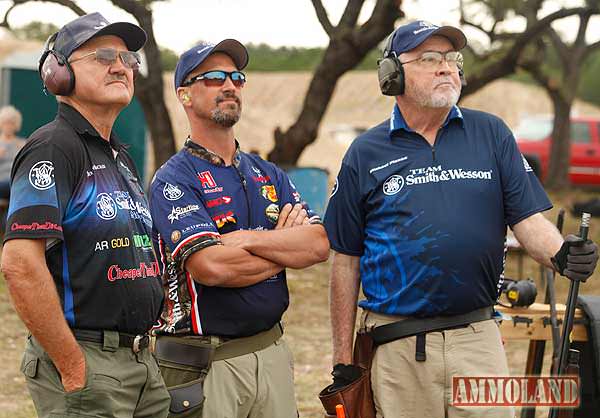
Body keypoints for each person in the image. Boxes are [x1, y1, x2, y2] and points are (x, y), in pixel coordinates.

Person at [323, 20, 599, 418]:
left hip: (478, 339)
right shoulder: (365, 153)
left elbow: (528, 220)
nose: (447, 68)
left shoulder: (492, 134)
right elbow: (345, 260)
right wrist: (341, 360)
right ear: (393, 74)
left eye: (453, 59)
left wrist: (562, 253)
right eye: (430, 58)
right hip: (398, 345)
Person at [148, 40, 330, 418]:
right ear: (184, 95)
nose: (229, 85)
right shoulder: (173, 179)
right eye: (214, 77)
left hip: (272, 352)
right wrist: (283, 248)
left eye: (236, 77)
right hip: (205, 364)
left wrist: (249, 240)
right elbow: (212, 268)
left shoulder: (267, 172)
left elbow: (317, 245)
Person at [1, 13, 169, 418]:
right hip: (90, 360)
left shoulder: (118, 155)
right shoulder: (54, 148)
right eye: (103, 56)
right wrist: (73, 366)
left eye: (128, 59)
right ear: (59, 74)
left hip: (141, 362)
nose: (121, 65)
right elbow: (20, 264)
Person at [0, 105, 26, 199]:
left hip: (17, 180)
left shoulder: (22, 144)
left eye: (11, 123)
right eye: (6, 123)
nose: (8, 126)